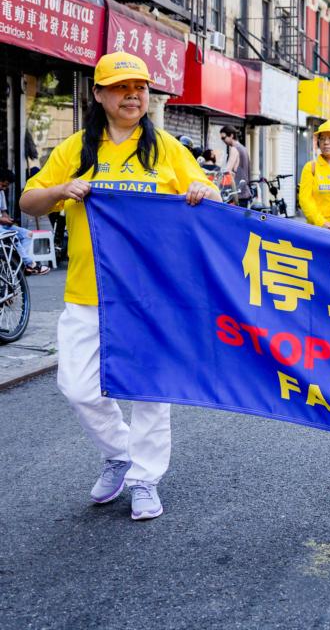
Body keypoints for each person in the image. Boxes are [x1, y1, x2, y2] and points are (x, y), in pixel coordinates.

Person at [20, 51, 218, 520]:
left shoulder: (167, 148)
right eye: (122, 87)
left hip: (152, 296)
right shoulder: (74, 149)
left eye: (141, 88)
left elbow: (205, 195)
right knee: (78, 388)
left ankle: (146, 477)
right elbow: (30, 201)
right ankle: (120, 453)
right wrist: (61, 190)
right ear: (100, 94)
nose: (134, 95)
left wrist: (201, 192)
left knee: (150, 391)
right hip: (89, 293)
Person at [0, 168, 49, 275]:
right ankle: (30, 264)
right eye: (3, 185)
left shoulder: (1, 193)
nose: (4, 188)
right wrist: (3, 220)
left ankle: (21, 264)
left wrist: (8, 220)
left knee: (27, 234)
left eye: (6, 186)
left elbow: (3, 212)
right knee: (13, 237)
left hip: (2, 225)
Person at [219, 125, 251, 207]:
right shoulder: (244, 148)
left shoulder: (234, 149)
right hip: (245, 191)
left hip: (237, 193)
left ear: (231, 135)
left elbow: (227, 171)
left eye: (223, 138)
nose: (223, 141)